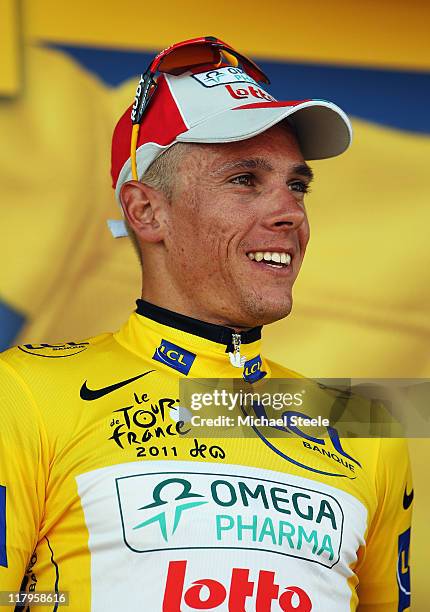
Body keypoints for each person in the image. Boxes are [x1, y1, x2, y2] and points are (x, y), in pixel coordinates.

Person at [0, 36, 412, 611]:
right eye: (245, 180)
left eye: (297, 185)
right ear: (146, 211)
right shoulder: (24, 393)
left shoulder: (362, 424)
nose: (290, 211)